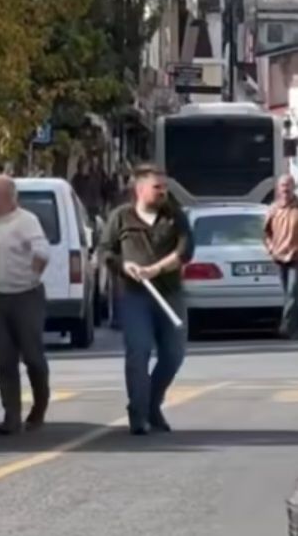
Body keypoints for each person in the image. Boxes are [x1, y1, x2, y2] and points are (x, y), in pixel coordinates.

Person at [100, 163, 192, 435]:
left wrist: (156, 269)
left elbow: (185, 251)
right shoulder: (121, 217)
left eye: (165, 187)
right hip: (135, 296)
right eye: (157, 187)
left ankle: (153, 403)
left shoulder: (175, 216)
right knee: (138, 352)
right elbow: (105, 250)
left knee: (173, 355)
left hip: (170, 294)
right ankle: (138, 413)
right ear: (140, 189)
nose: (163, 192)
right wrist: (123, 265)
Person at [0, 175, 51, 435]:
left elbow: (42, 250)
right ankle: (11, 416)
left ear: (7, 198)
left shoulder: (26, 220)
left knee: (33, 357)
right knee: (5, 359)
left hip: (26, 295)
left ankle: (40, 406)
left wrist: (34, 271)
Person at [264, 173, 298, 340]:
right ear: (278, 189)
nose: (286, 189)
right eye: (283, 186)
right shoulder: (273, 209)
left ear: (294, 187)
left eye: (288, 185)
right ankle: (294, 328)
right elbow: (266, 233)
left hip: (296, 256)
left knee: (292, 292)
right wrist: (271, 248)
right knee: (288, 294)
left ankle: (285, 328)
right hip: (280, 256)